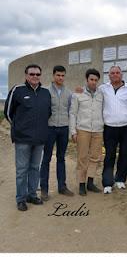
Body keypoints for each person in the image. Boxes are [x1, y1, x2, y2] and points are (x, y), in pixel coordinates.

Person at [4, 64, 51, 211]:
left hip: (39, 139)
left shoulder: (45, 93)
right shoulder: (17, 90)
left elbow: (47, 113)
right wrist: (19, 128)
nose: (35, 77)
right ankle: (21, 199)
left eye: (38, 74)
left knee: (35, 168)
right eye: (32, 74)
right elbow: (7, 113)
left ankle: (32, 195)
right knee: (22, 170)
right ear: (26, 75)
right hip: (22, 139)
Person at [101, 66, 127, 194]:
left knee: (125, 154)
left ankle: (120, 179)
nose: (115, 75)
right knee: (109, 155)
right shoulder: (103, 89)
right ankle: (107, 183)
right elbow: (92, 95)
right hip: (110, 127)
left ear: (121, 74)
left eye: (117, 73)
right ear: (109, 75)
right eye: (112, 73)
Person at [39, 65, 73, 201]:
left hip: (63, 129)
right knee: (46, 159)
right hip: (50, 128)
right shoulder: (45, 91)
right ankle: (44, 190)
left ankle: (62, 187)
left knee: (61, 158)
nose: (60, 78)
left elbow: (70, 110)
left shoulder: (68, 93)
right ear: (53, 76)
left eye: (63, 75)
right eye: (58, 75)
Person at [69, 69, 103, 196]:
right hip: (83, 130)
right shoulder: (78, 94)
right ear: (87, 80)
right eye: (91, 79)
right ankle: (81, 184)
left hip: (98, 130)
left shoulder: (101, 93)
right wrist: (73, 131)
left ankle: (90, 182)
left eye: (95, 80)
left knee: (95, 158)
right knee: (82, 158)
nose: (93, 82)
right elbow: (72, 114)